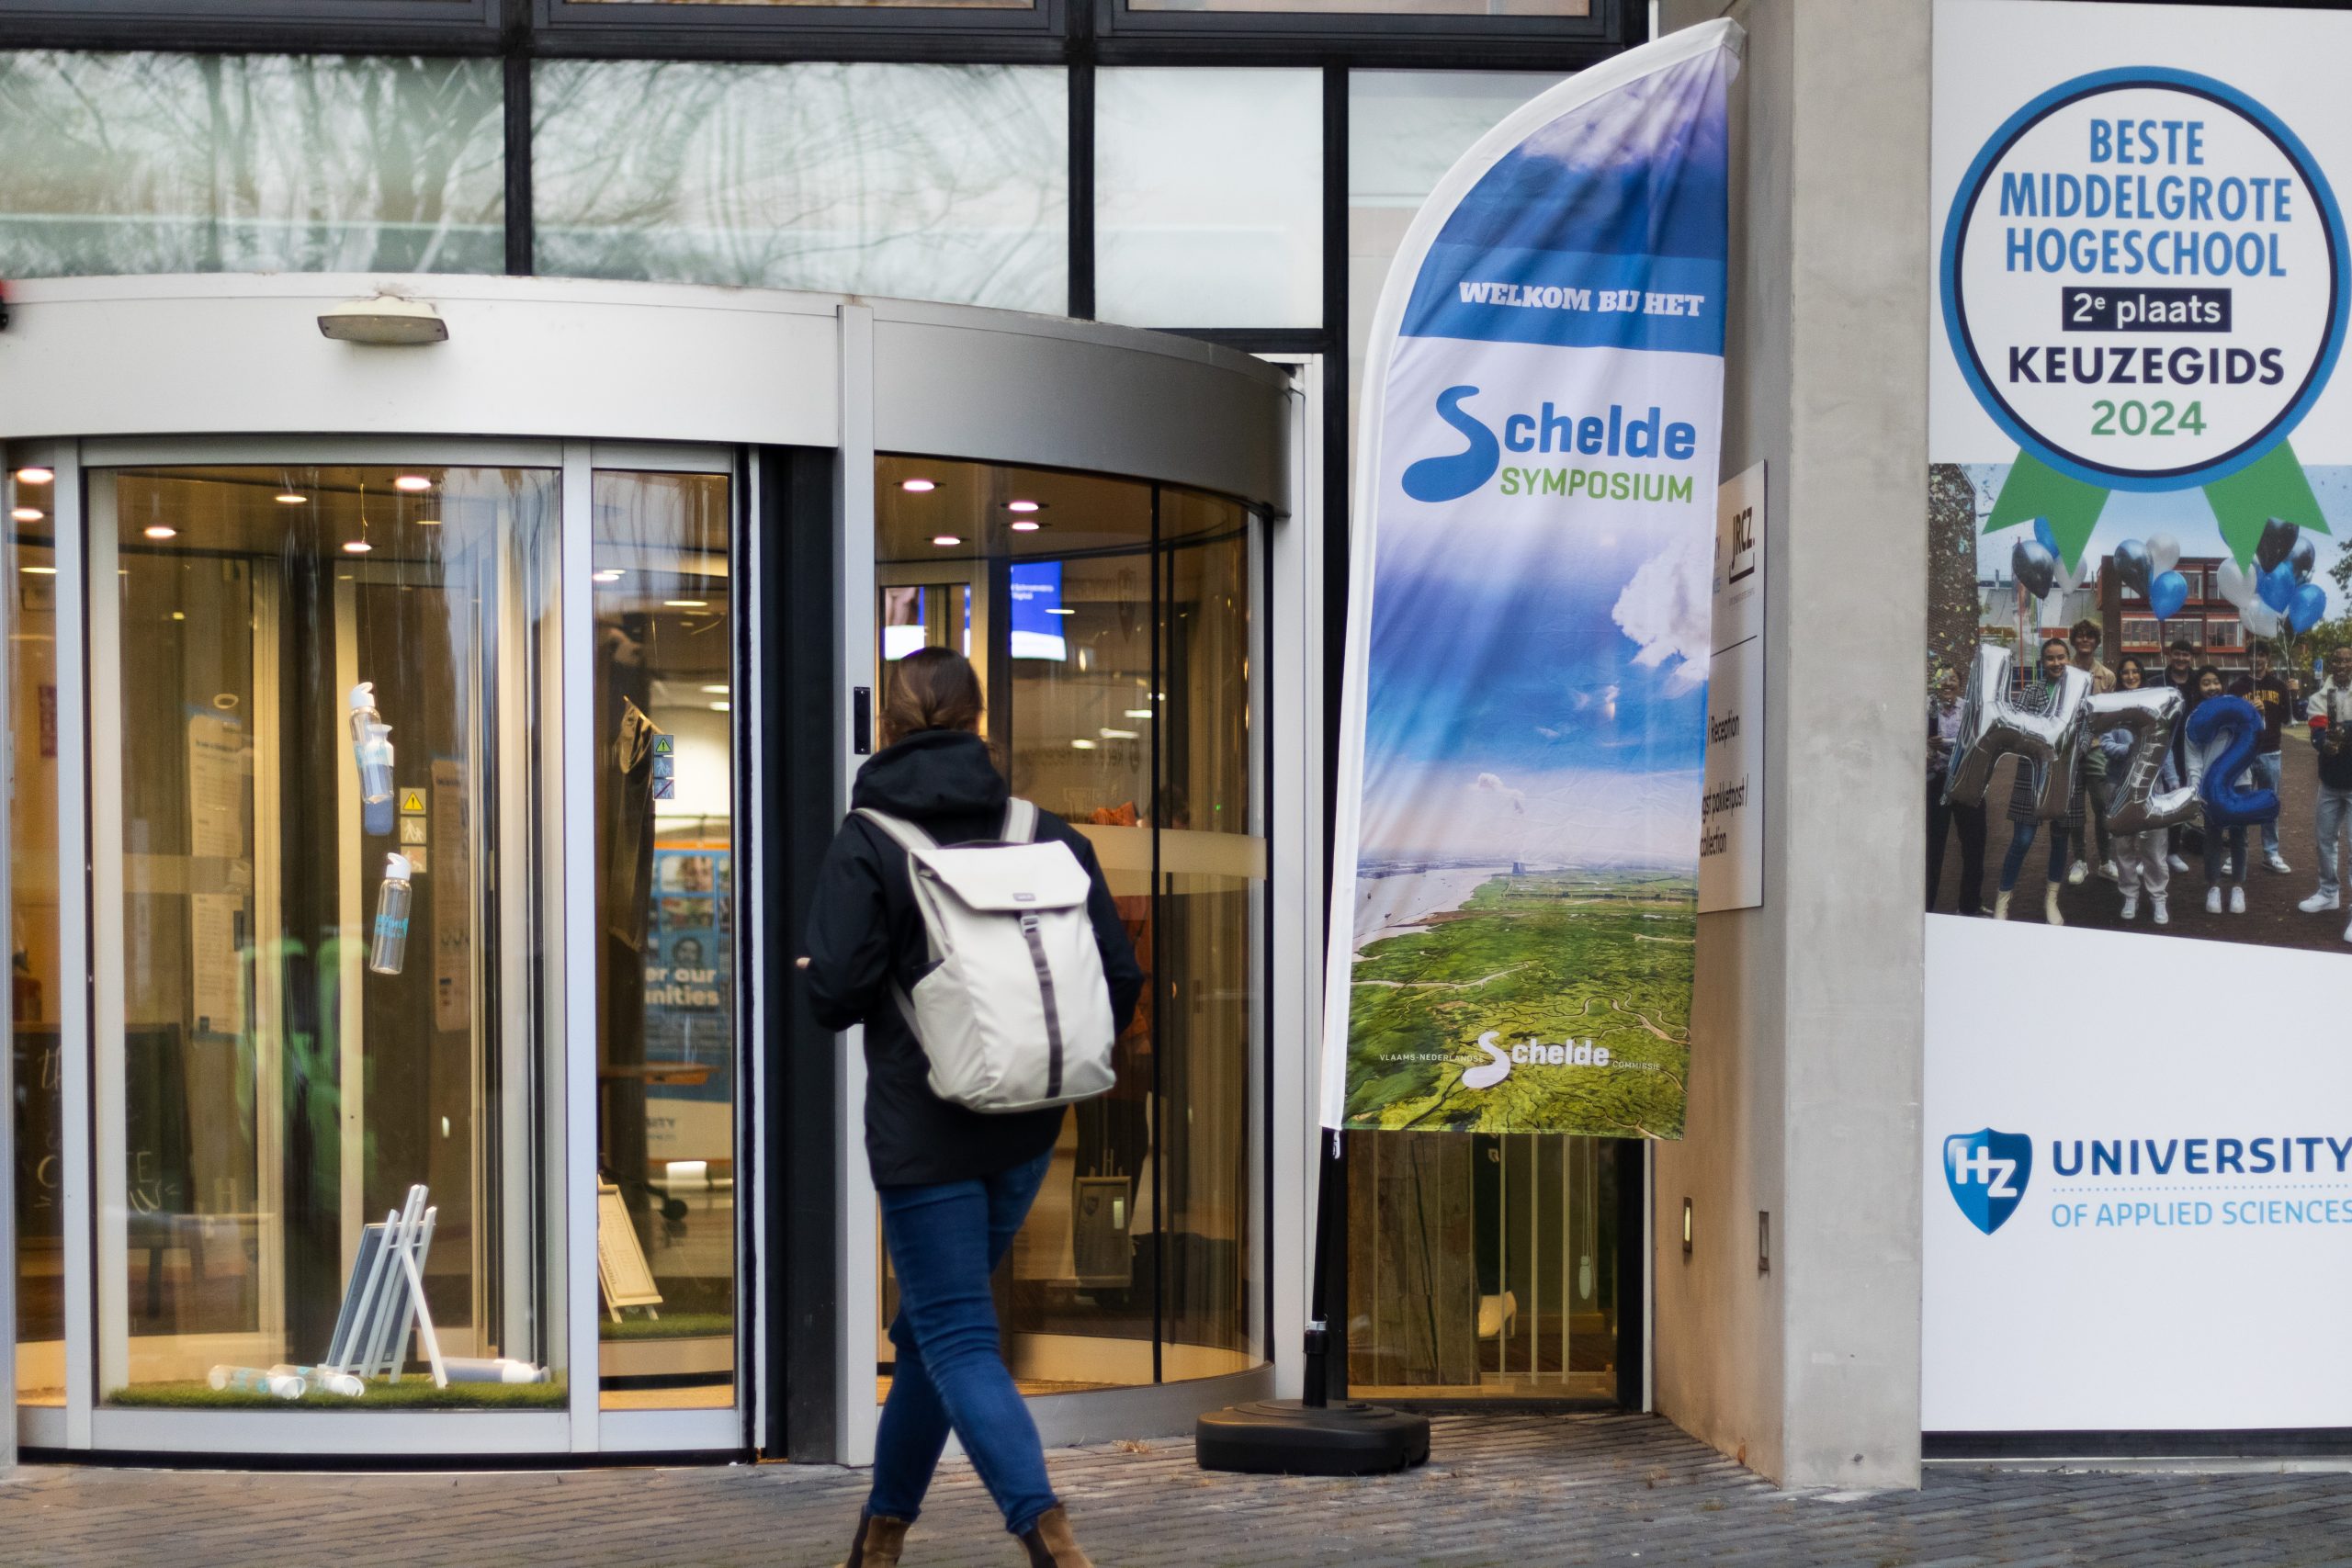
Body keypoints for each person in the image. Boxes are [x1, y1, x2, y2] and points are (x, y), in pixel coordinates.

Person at [803, 648, 1143, 1568]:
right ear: (980, 720)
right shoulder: (1049, 832)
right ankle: (881, 1536)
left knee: (952, 1332)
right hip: (1031, 1119)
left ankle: (1046, 1530)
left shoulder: (869, 839)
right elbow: (1118, 974)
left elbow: (833, 996)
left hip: (926, 1127)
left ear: (887, 731)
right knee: (927, 1327)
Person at [1995, 637, 2078, 925]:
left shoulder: (2080, 690)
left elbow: (2085, 731)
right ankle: (2002, 902)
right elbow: (2019, 730)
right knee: (2022, 839)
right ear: (2043, 663)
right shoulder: (2032, 690)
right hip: (2032, 771)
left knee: (2059, 840)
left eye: (2061, 657)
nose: (2056, 663)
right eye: (2050, 658)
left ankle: (2051, 901)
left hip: (2066, 773)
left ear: (2069, 658)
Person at [2103, 656, 2172, 926]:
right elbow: (2105, 743)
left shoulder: (2156, 705)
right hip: (2119, 786)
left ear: (2142, 675)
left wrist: (2174, 782)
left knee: (2155, 848)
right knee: (2123, 846)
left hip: (2152, 787)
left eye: (2135, 672)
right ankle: (2130, 894)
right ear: (2120, 676)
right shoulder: (2112, 707)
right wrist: (2134, 751)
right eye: (2125, 672)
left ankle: (2158, 898)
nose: (2131, 676)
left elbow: (2165, 748)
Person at [2297, 644, 2352, 942]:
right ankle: (2329, 892)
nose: (2342, 664)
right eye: (2338, 659)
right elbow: (2318, 736)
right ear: (2331, 663)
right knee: (2324, 841)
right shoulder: (2320, 697)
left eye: (2348, 660)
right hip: (2330, 782)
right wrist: (2325, 744)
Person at [2230, 639, 2298, 874]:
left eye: (2261, 655)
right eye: (2252, 655)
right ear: (2247, 658)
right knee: (2241, 803)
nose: (2256, 659)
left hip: (2271, 752)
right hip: (2245, 751)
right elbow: (2231, 721)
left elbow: (2290, 719)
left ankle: (2271, 852)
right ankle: (2236, 852)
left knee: (2270, 802)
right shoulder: (2237, 687)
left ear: (2267, 658)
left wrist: (2294, 694)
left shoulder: (2279, 686)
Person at [2188, 665, 2251, 917]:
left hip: (2241, 780)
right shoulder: (2195, 718)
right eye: (2205, 683)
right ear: (2198, 688)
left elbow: (2256, 733)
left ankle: (2238, 886)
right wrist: (2195, 786)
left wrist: (2258, 714)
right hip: (2210, 785)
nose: (2212, 687)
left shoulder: (2238, 709)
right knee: (2212, 835)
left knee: (2239, 835)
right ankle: (2213, 886)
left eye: (2215, 682)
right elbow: (2192, 755)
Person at [1927, 668, 1986, 914]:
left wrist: (1946, 744)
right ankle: (1925, 908)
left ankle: (1969, 906)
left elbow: (1977, 741)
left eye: (1952, 678)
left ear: (1960, 684)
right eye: (1942, 679)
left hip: (1966, 780)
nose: (1947, 683)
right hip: (1936, 781)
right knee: (1932, 847)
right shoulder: (1927, 708)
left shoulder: (1970, 708)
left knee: (1974, 845)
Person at [2068, 618, 2118, 884]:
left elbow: (2109, 715)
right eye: (2081, 636)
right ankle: (2079, 860)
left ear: (2096, 642)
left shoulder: (2107, 676)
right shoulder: (2064, 670)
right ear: (2074, 640)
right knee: (2074, 806)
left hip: (2097, 746)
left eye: (2090, 637)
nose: (2085, 640)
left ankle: (2106, 860)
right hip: (2071, 748)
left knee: (2102, 805)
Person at [2159, 637, 2199, 873]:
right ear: (2169, 654)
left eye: (2186, 654)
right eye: (2177, 653)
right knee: (2161, 797)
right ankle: (2156, 850)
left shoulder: (2198, 682)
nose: (2181, 658)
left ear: (2190, 657)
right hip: (2165, 748)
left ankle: (2173, 850)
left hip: (2191, 747)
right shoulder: (2159, 681)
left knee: (2180, 798)